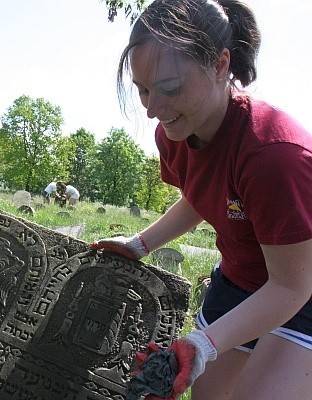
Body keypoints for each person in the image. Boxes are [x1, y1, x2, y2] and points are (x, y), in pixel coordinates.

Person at [90, 0, 312, 399]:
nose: (153, 109)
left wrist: (204, 343)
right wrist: (141, 244)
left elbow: (291, 286)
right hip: (238, 280)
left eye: (170, 89)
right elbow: (202, 195)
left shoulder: (273, 155)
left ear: (220, 64)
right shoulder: (173, 133)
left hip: (302, 289)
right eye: (142, 90)